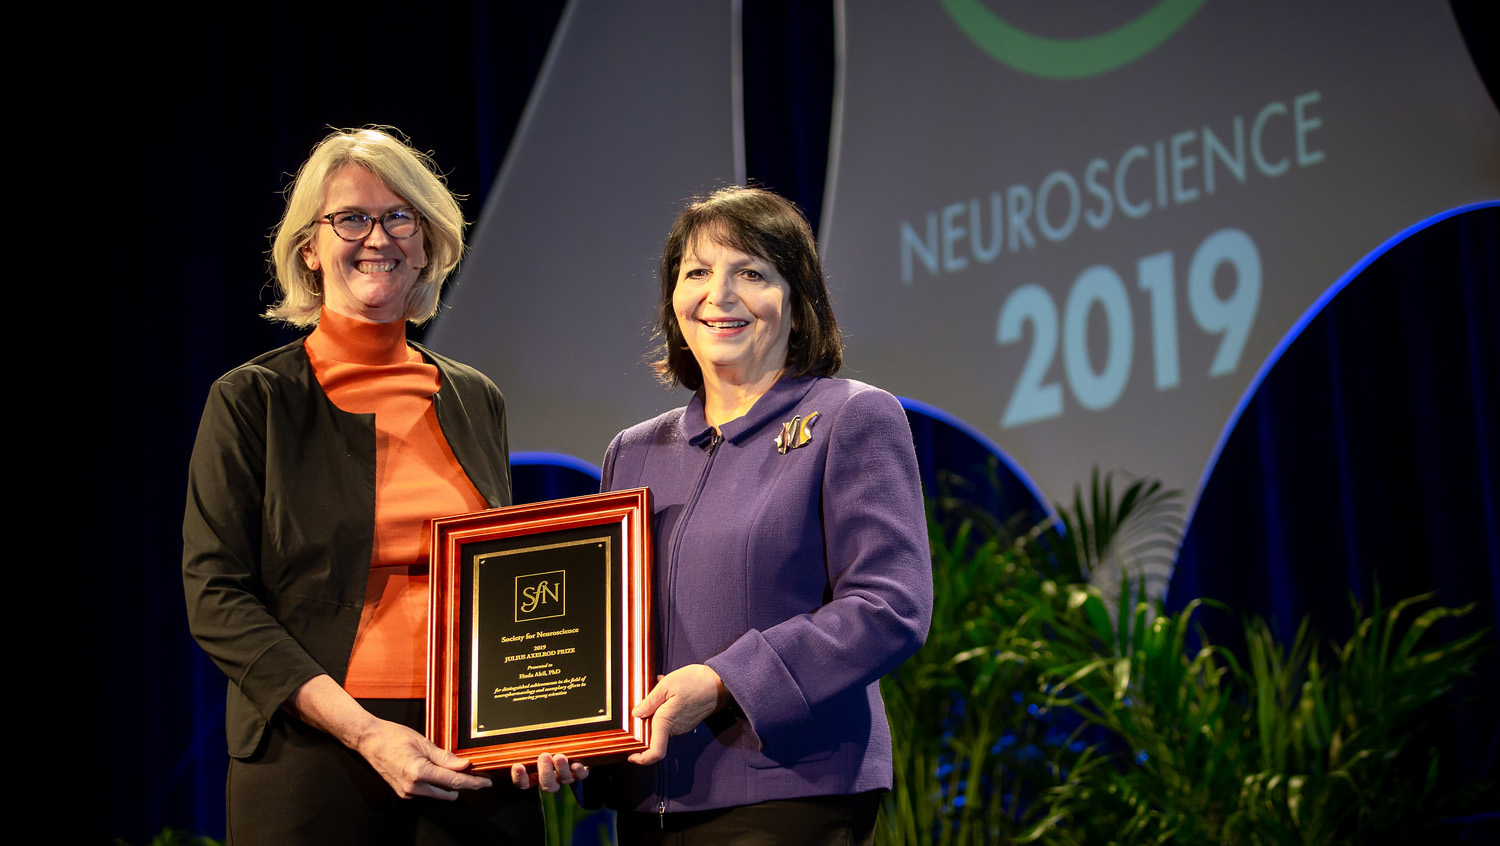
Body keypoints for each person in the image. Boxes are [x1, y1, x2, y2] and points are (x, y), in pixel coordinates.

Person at [182, 126, 574, 845]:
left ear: (428, 243)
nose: (379, 236)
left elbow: (507, 583)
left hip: (471, 746)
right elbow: (216, 597)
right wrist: (366, 732)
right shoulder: (253, 399)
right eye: (351, 217)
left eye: (402, 217)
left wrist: (542, 713)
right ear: (310, 246)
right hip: (314, 748)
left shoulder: (474, 396)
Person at [586, 186, 934, 843]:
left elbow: (890, 606)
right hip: (649, 801)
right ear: (673, 305)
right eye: (697, 272)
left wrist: (724, 681)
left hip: (793, 789)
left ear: (798, 307)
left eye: (751, 272)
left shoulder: (849, 417)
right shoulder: (631, 453)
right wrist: (563, 733)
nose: (720, 294)